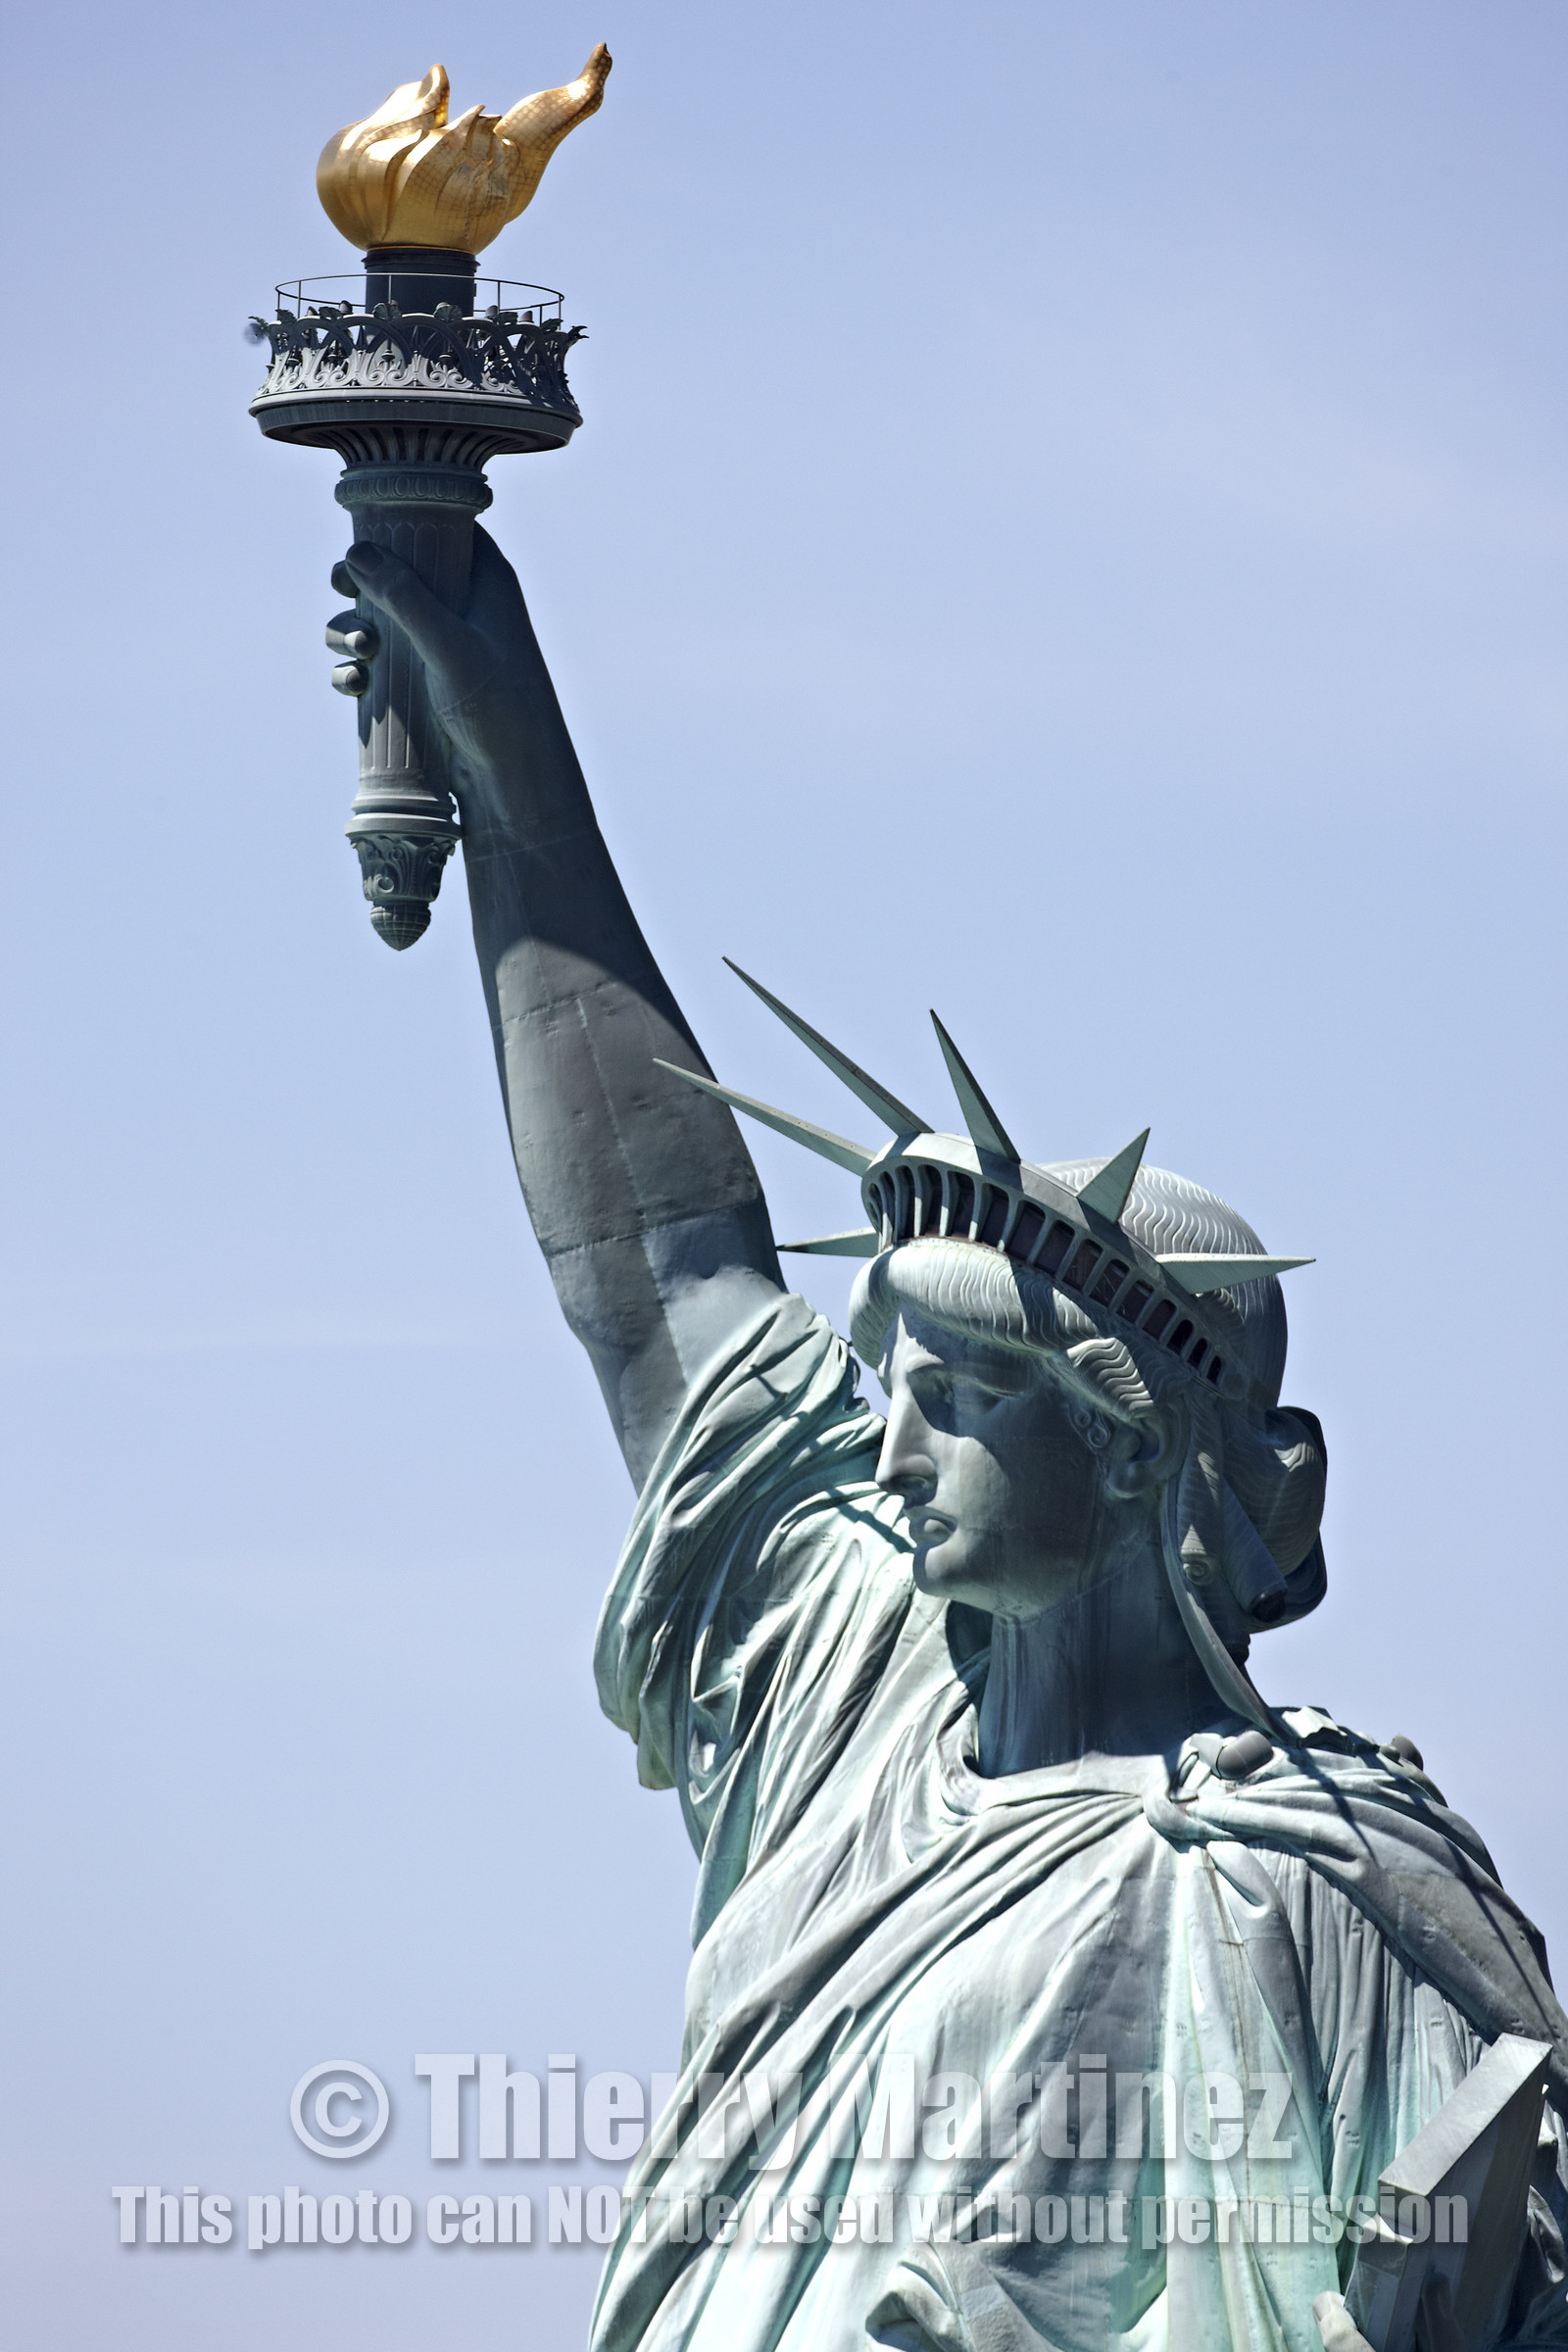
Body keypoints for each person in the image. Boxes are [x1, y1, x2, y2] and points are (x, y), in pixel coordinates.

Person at [338, 527, 1568, 2352]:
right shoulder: (859, 1702)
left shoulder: (1336, 1897)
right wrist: (511, 760)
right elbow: (665, 1278)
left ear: (1140, 1447)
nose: (891, 1456)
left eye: (966, 1400)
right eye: (889, 1389)